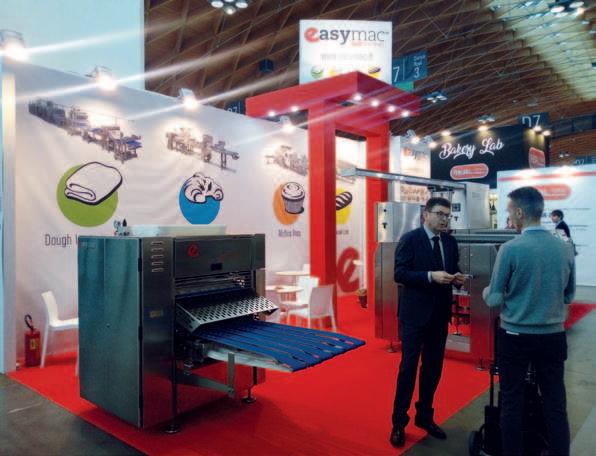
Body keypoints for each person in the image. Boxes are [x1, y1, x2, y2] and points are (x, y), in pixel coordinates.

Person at [483, 187, 575, 456]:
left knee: (512, 402)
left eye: (510, 211)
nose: (509, 217)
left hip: (515, 337)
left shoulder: (510, 249)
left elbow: (493, 298)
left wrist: (486, 290)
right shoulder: (565, 248)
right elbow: (568, 295)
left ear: (520, 212)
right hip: (553, 337)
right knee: (555, 403)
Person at [389, 197, 465, 448]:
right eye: (440, 214)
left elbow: (452, 269)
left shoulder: (450, 242)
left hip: (439, 315)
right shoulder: (410, 239)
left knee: (433, 368)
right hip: (414, 316)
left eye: (447, 216)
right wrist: (430, 276)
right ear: (426, 214)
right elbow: (399, 274)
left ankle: (424, 416)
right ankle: (399, 422)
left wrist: (456, 278)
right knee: (408, 368)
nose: (444, 219)